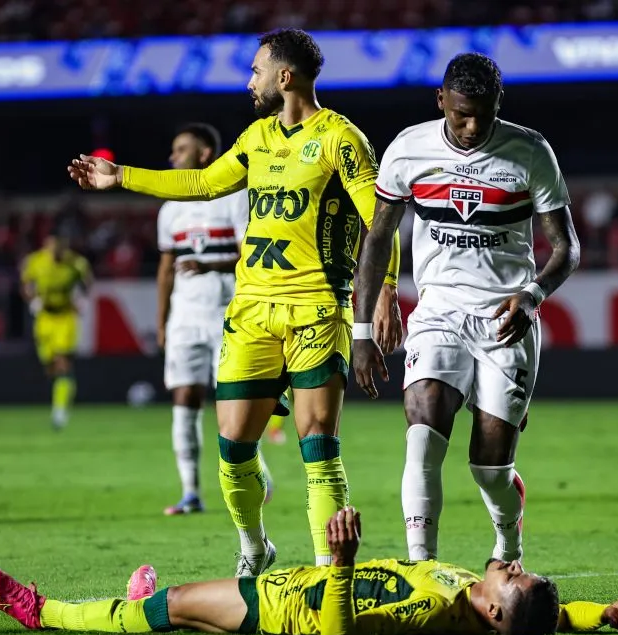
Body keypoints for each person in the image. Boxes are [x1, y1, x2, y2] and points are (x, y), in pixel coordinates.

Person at [68, 29, 404, 575]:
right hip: (251, 310)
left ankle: (326, 572)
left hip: (318, 306)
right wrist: (120, 175)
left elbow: (379, 222)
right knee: (233, 446)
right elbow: (201, 183)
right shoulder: (255, 138)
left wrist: (385, 289)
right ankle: (254, 547)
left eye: (256, 71)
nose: (250, 82)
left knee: (318, 442)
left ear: (285, 77)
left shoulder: (342, 138)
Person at [352, 53, 580, 563]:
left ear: (499, 104)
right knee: (423, 435)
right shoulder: (409, 150)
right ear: (441, 101)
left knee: (489, 468)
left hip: (507, 318)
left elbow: (567, 248)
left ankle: (508, 546)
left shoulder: (529, 152)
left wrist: (534, 294)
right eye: (461, 114)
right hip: (438, 311)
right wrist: (362, 332)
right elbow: (377, 239)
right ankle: (421, 569)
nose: (472, 125)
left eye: (483, 113)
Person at [0, 507, 618, 635]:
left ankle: (44, 610)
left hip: (288, 610)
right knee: (187, 614)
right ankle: (151, 608)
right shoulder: (471, 587)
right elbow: (552, 617)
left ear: (494, 612)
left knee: (177, 604)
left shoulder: (436, 614)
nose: (516, 568)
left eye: (516, 580)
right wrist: (599, 614)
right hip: (299, 586)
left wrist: (345, 564)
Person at [157, 123, 277, 515]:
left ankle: (255, 474)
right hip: (184, 319)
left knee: (232, 407)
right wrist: (162, 322)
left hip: (229, 314)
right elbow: (165, 270)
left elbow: (250, 254)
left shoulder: (233, 197)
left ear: (205, 154)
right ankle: (190, 492)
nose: (173, 157)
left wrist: (208, 266)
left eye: (181, 149)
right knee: (184, 398)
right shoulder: (169, 209)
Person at [20, 230, 93, 430]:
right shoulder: (35, 261)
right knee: (50, 366)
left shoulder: (75, 263)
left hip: (65, 317)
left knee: (63, 363)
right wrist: (32, 299)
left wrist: (82, 300)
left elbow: (87, 280)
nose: (56, 252)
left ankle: (60, 411)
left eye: (59, 247)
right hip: (44, 318)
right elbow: (26, 282)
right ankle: (61, 393)